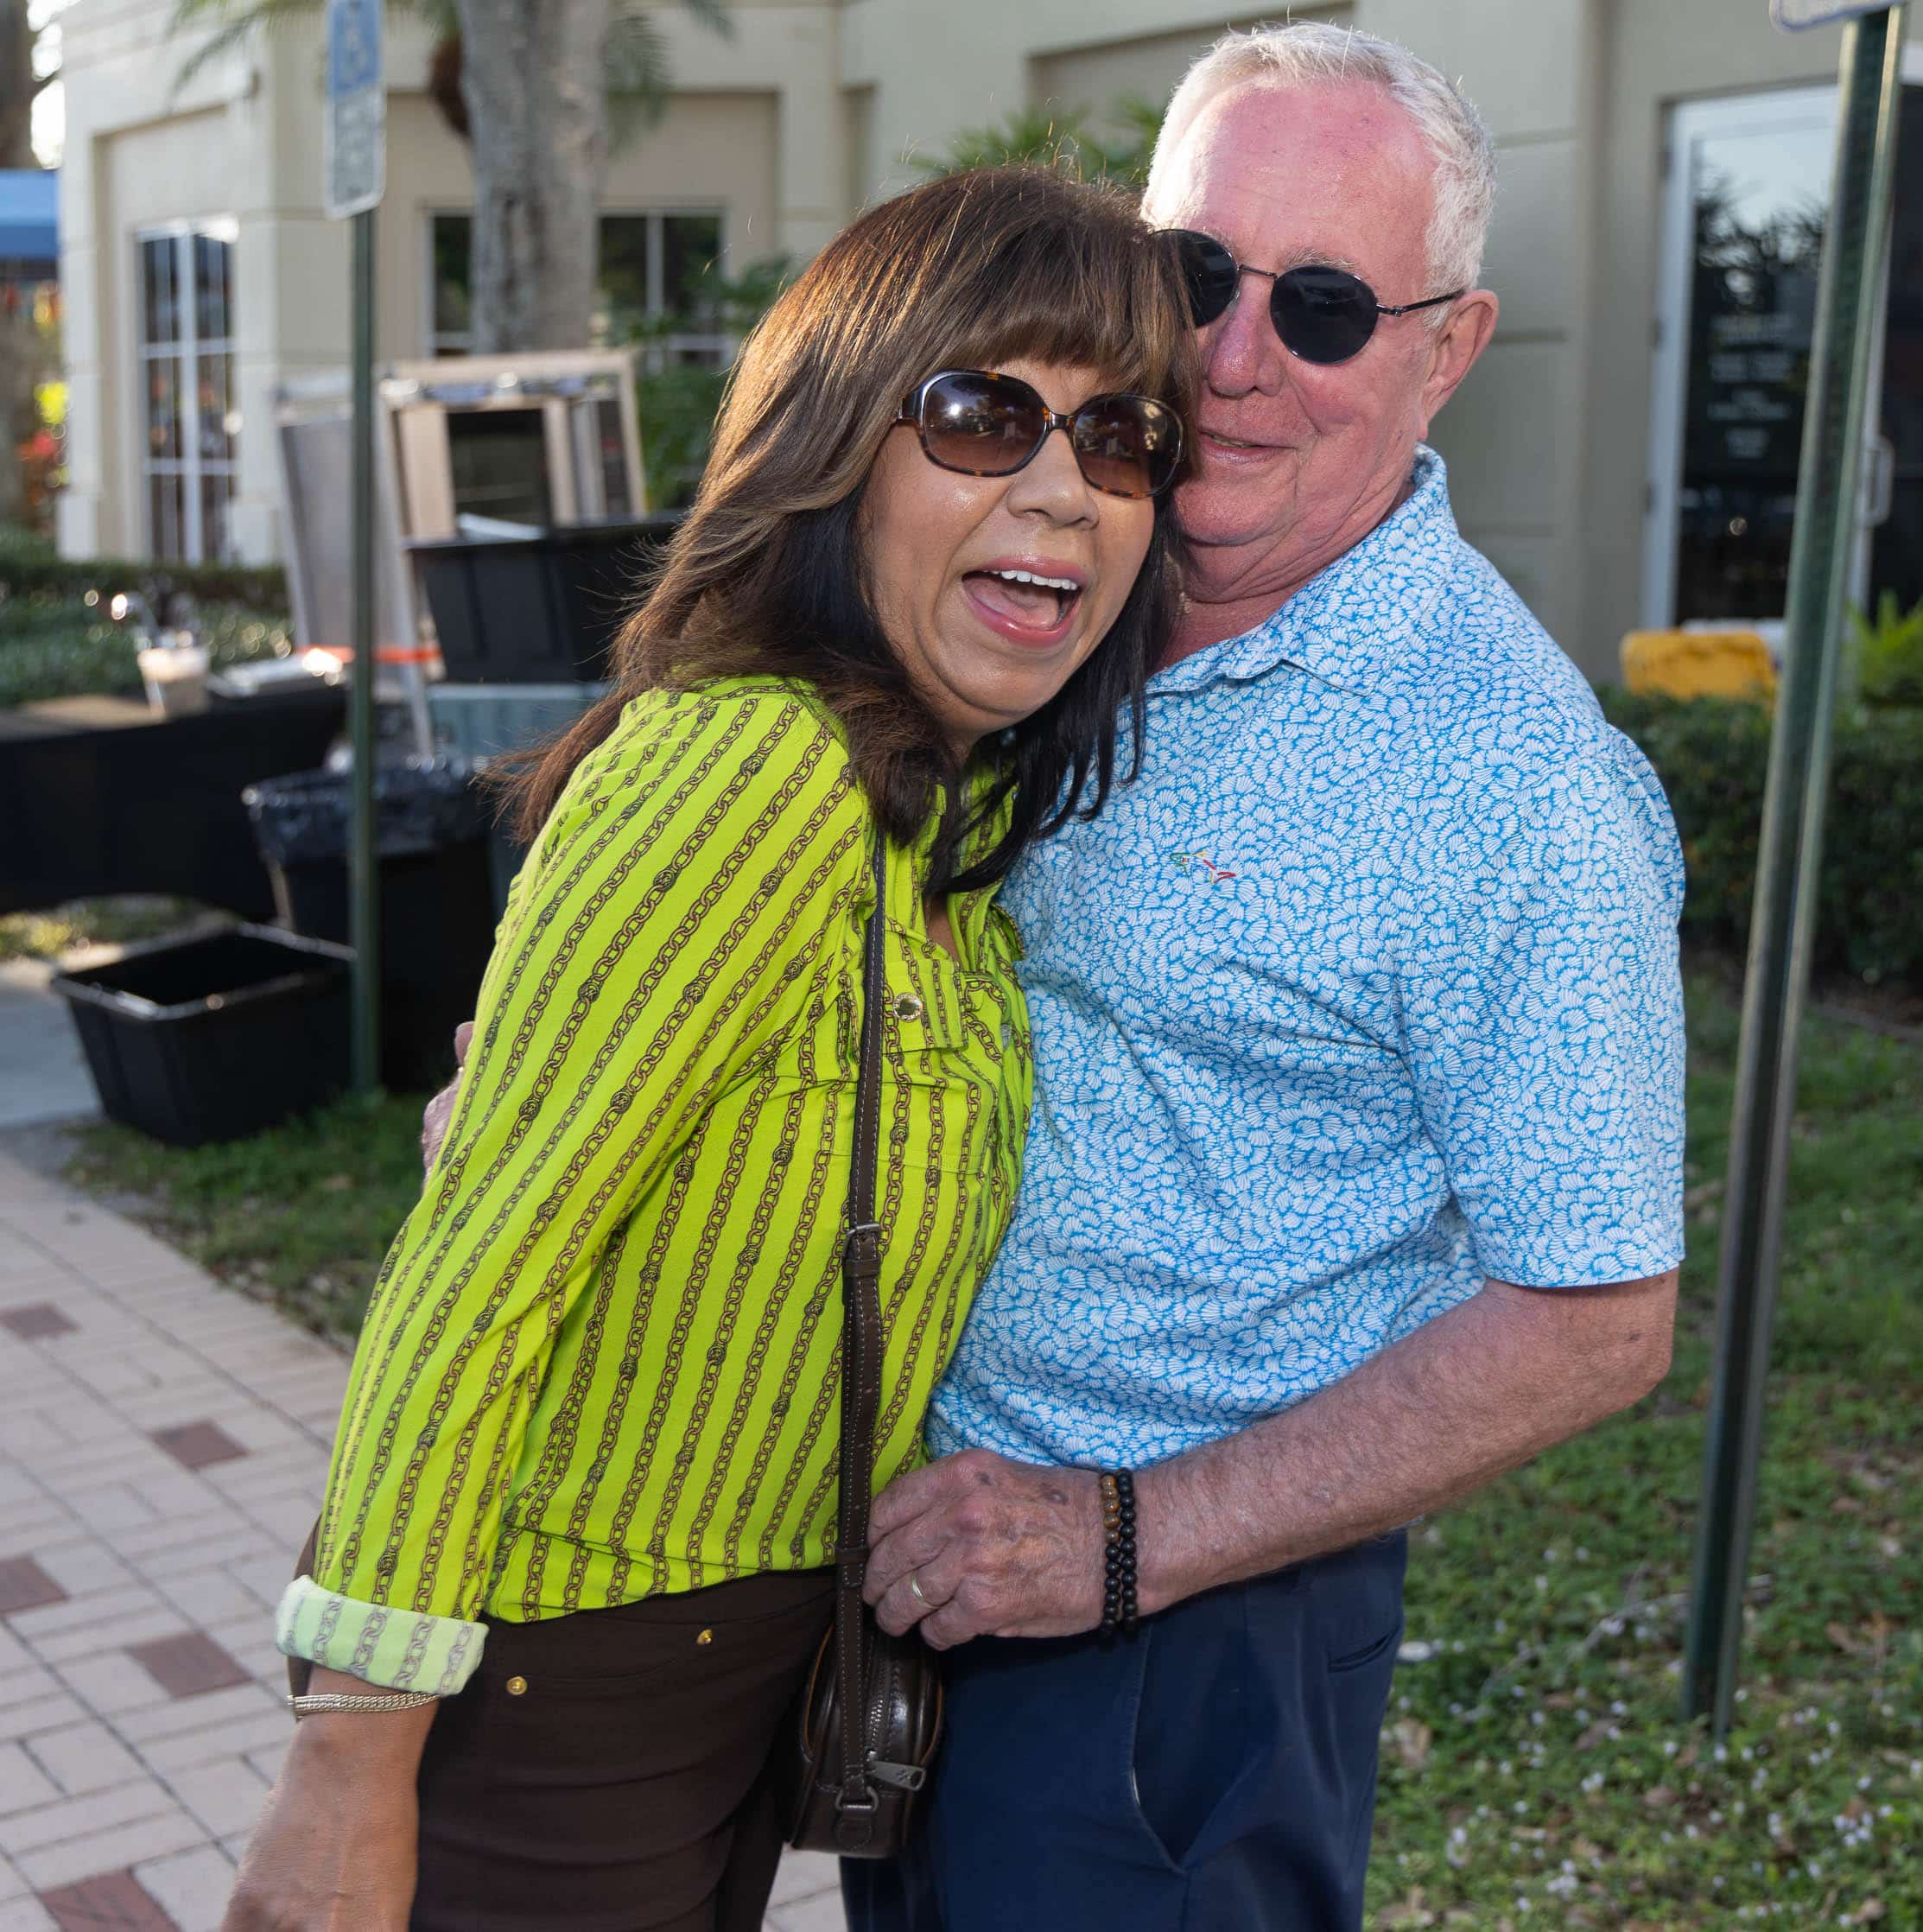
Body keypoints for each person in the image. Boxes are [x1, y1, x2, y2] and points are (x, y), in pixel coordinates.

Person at [224, 165, 1195, 1932]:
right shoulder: (750, 767)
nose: (1064, 485)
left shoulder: (942, 827)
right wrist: (345, 1774)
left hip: (731, 1682)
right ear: (834, 449)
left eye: (1119, 437)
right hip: (559, 1687)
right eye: (984, 415)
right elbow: (478, 1273)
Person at [844, 22, 1686, 1932]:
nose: (1232, 357)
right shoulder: (1051, 581)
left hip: (1171, 1646)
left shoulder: (1512, 783)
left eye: (1322, 307)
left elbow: (1595, 1315)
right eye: (1196, 272)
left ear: (1446, 349)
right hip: (924, 1556)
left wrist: (1124, 1538)